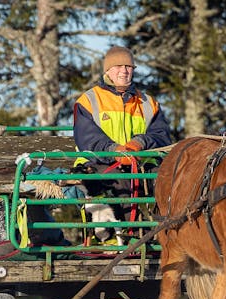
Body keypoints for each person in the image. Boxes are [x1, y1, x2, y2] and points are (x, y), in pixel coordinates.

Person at [72, 45, 172, 240]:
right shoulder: (88, 101)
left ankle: (168, 236)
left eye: (128, 67)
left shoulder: (148, 103)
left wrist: (141, 142)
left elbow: (161, 134)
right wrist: (114, 150)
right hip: (98, 163)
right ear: (107, 70)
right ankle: (127, 236)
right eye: (118, 66)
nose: (124, 71)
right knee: (119, 180)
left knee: (167, 178)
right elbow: (87, 138)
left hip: (140, 163)